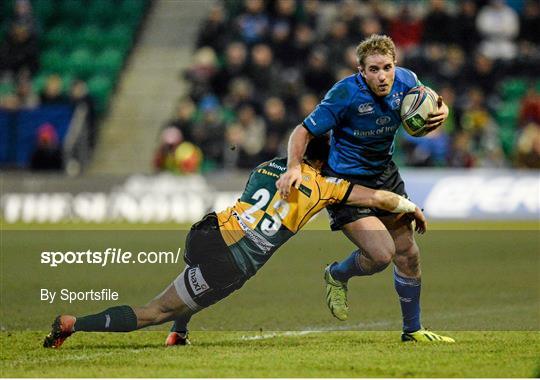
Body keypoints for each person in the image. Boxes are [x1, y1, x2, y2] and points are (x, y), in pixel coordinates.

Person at [43, 136, 427, 348]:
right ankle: (74, 323)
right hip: (233, 261)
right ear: (325, 163)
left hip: (205, 232)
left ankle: (181, 331)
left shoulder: (266, 167)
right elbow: (378, 198)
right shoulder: (325, 185)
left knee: (188, 288)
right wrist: (410, 206)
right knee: (156, 310)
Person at [276, 34, 454, 343]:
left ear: (395, 64)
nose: (382, 76)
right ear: (361, 70)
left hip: (384, 174)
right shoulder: (344, 94)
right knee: (381, 255)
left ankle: (412, 331)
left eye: (387, 67)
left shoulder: (408, 81)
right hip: (345, 183)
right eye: (373, 69)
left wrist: (445, 111)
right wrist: (293, 167)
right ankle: (337, 274)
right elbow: (303, 131)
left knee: (408, 253)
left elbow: (433, 103)